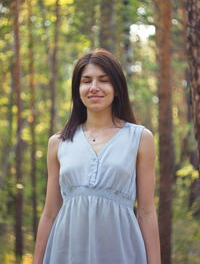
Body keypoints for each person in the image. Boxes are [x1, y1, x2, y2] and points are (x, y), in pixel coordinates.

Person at [33, 48, 161, 264]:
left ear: (117, 88)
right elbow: (49, 213)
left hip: (121, 252)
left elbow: (147, 212)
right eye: (86, 81)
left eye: (103, 80)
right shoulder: (58, 143)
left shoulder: (140, 138)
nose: (94, 88)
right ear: (78, 89)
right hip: (67, 253)